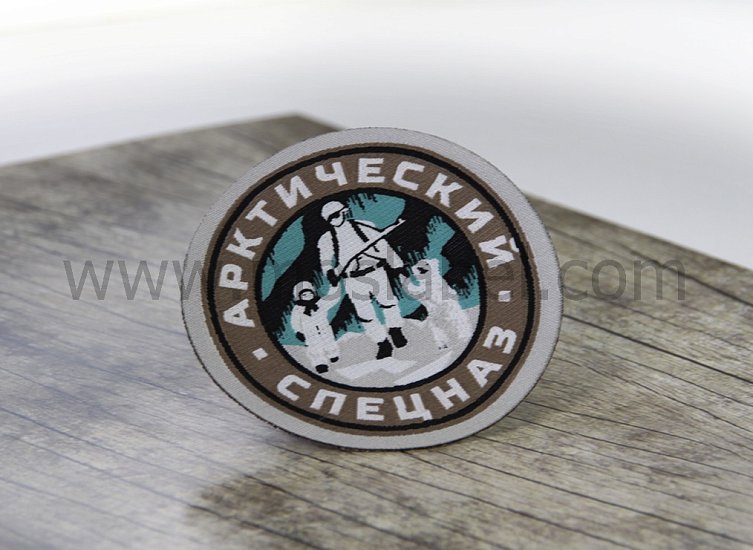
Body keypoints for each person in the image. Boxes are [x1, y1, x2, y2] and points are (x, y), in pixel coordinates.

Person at [317, 200, 408, 360]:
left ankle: (395, 329)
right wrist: (329, 272)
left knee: (388, 303)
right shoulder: (327, 238)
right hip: (353, 280)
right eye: (330, 218)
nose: (334, 220)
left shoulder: (363, 226)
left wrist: (398, 265)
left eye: (336, 215)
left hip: (376, 272)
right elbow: (325, 259)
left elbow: (384, 246)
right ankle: (382, 342)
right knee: (365, 314)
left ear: (344, 212)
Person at [400, 258, 473, 349]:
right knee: (438, 325)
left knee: (455, 321)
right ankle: (443, 342)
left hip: (446, 308)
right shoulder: (429, 281)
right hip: (438, 312)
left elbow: (414, 290)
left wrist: (404, 278)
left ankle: (461, 337)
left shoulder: (433, 281)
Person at [290, 281, 341, 374]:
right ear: (299, 296)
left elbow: (332, 298)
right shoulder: (297, 309)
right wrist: (298, 331)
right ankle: (320, 364)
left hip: (324, 329)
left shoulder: (320, 303)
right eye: (304, 295)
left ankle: (333, 354)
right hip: (310, 333)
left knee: (330, 343)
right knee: (315, 350)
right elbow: (295, 321)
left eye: (310, 293)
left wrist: (334, 286)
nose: (308, 296)